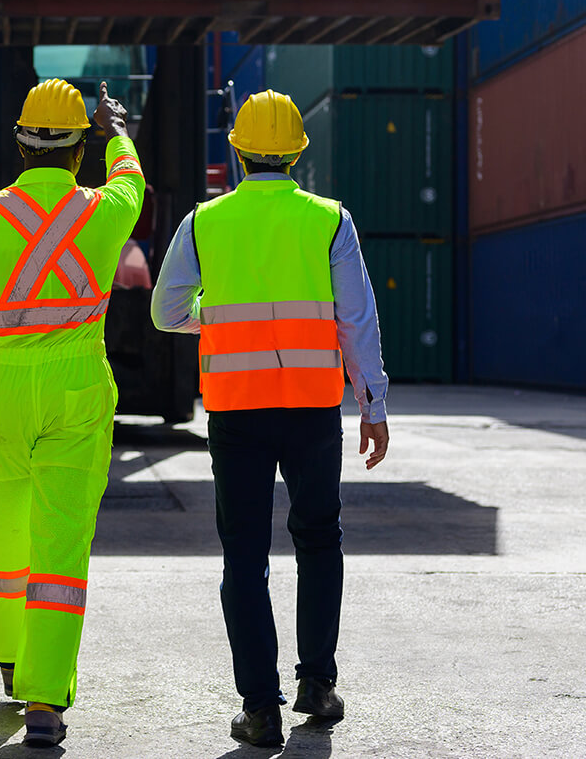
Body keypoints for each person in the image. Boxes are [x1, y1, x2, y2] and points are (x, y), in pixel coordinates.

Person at [150, 90, 389, 750]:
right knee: (319, 540)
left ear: (237, 148)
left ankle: (260, 711)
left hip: (236, 412)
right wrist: (374, 404)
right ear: (297, 155)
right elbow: (357, 320)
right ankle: (317, 684)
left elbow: (166, 312)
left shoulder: (204, 222)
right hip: (313, 408)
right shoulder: (329, 220)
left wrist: (216, 319)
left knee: (245, 557)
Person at [0, 79, 145, 747]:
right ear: (78, 149)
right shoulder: (107, 211)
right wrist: (118, 129)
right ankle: (45, 702)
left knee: (6, 537)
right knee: (60, 546)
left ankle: (11, 654)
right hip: (77, 390)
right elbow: (132, 180)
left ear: (19, 143)